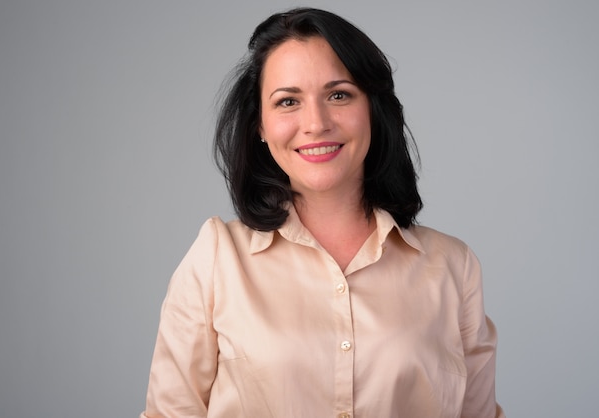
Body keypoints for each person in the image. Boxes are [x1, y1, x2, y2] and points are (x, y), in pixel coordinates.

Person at [141, 7, 505, 418]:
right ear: (259, 124)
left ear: (373, 109)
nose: (315, 123)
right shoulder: (216, 260)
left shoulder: (453, 267)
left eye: (339, 95)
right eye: (288, 101)